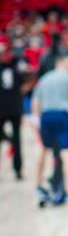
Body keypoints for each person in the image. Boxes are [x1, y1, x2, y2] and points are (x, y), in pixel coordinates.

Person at [32, 54, 68, 206]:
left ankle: (38, 186)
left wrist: (38, 120)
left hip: (46, 117)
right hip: (63, 117)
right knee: (67, 153)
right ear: (63, 62)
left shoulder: (44, 79)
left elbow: (36, 104)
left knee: (42, 149)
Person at [0, 42, 25, 180]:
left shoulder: (13, 68)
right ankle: (18, 169)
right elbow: (24, 84)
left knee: (16, 140)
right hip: (14, 107)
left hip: (4, 108)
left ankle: (18, 169)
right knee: (17, 140)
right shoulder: (14, 68)